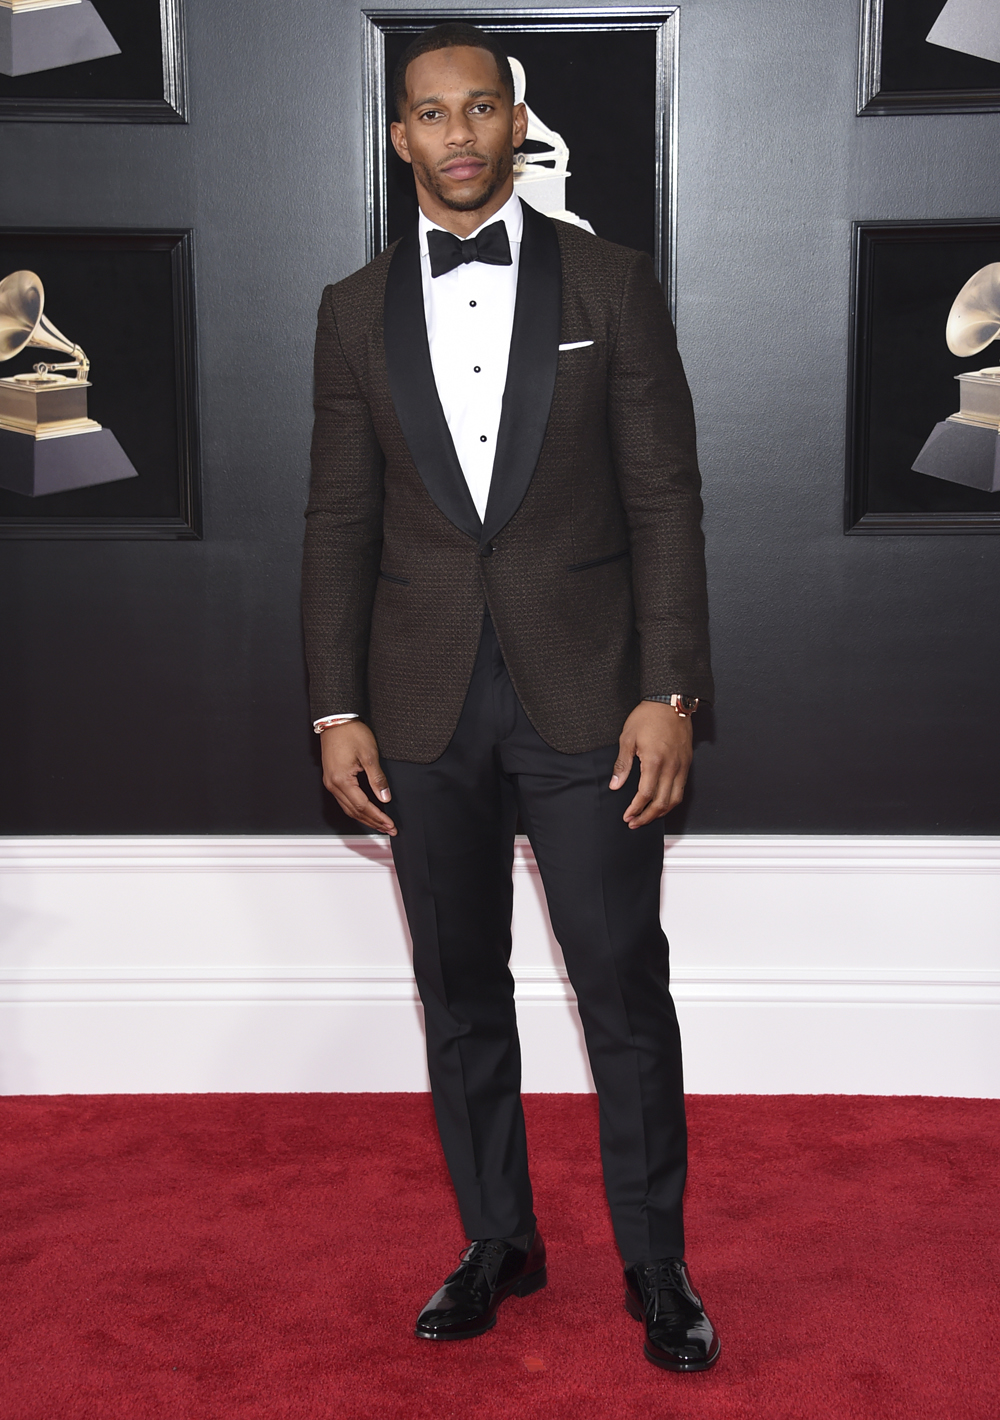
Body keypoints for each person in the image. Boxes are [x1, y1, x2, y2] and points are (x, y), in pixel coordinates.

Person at [302, 22, 718, 1373]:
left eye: (481, 108)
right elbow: (337, 521)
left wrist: (670, 689)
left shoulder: (610, 280)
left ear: (515, 118)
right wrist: (334, 706)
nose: (460, 134)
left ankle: (657, 1265)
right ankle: (499, 1239)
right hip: (418, 702)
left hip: (592, 694)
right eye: (432, 114)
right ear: (400, 136)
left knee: (620, 986)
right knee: (460, 989)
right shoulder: (351, 308)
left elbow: (664, 496)